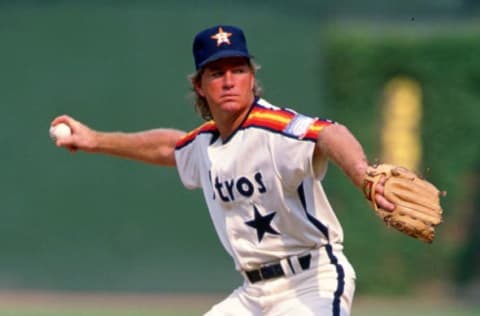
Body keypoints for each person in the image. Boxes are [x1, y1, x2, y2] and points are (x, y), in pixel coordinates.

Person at [51, 25, 394, 316]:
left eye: (238, 70)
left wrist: (364, 176)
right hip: (253, 293)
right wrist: (94, 139)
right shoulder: (205, 142)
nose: (229, 81)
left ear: (251, 76)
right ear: (200, 85)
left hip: (311, 279)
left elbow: (329, 133)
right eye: (217, 73)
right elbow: (168, 146)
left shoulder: (274, 128)